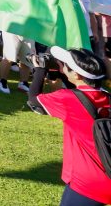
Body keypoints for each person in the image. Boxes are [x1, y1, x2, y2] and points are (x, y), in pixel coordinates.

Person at [27, 47, 111, 206]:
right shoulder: (107, 96)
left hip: (87, 183)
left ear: (77, 75)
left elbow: (34, 101)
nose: (62, 66)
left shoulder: (68, 98)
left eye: (65, 64)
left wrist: (39, 70)